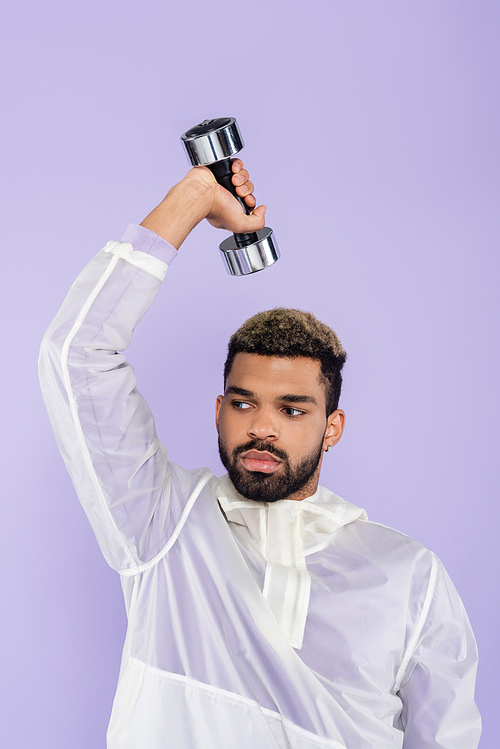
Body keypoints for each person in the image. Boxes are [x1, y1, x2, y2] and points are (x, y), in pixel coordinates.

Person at [39, 160, 481, 748]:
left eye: (293, 410)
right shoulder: (160, 524)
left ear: (333, 427)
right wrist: (193, 197)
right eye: (244, 405)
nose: (262, 429)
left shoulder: (410, 575)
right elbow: (75, 355)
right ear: (218, 410)